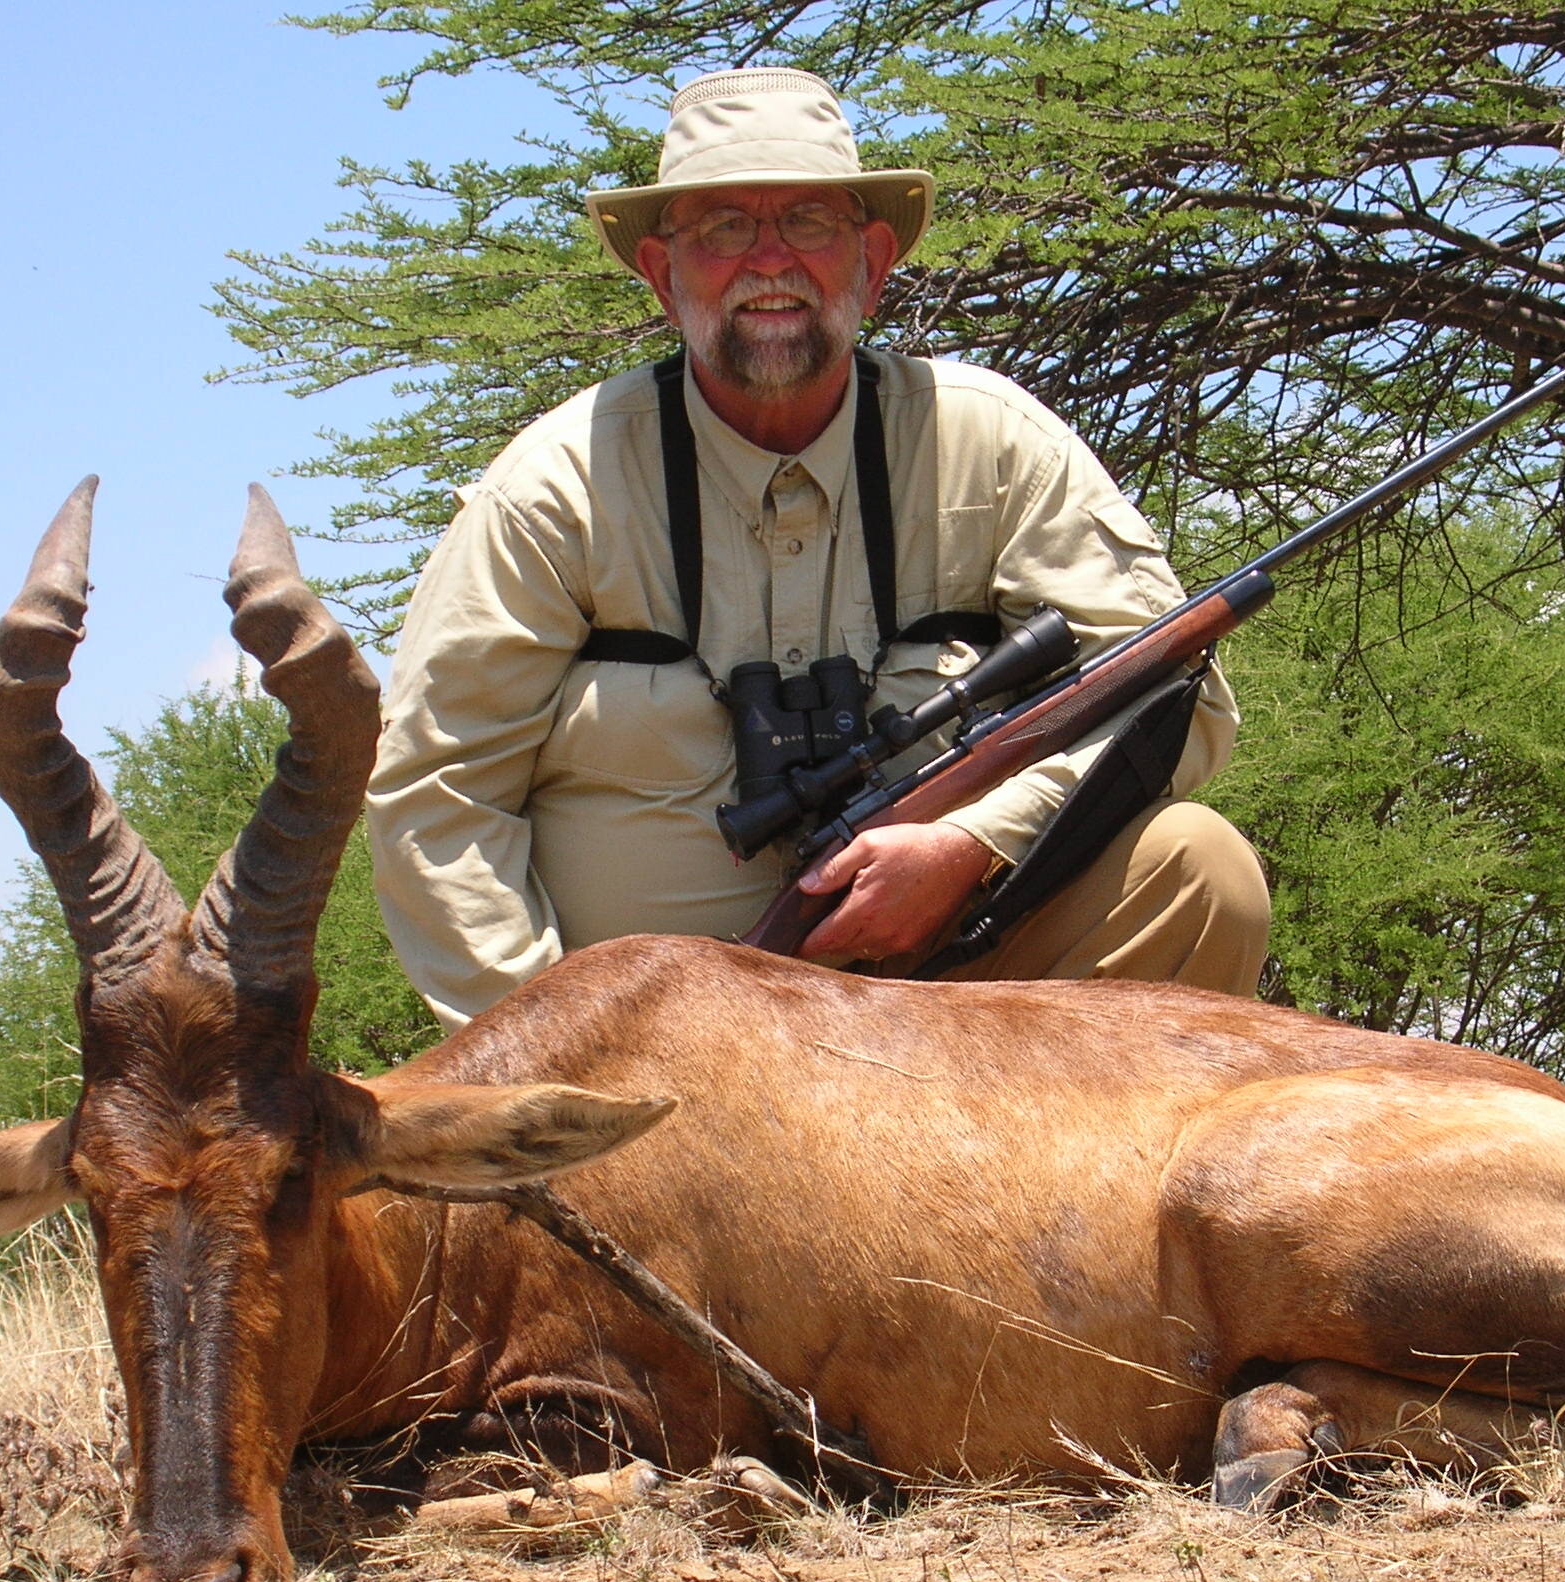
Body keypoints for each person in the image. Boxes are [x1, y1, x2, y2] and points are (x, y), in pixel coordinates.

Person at [368, 67, 1271, 1029]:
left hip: (959, 978)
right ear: (660, 274)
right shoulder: (553, 484)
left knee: (1198, 870)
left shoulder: (996, 441)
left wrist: (974, 844)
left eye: (806, 222)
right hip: (659, 1051)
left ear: (872, 261)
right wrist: (551, 1061)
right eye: (721, 227)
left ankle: (1072, 1179)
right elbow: (439, 794)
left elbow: (1183, 698)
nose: (768, 261)